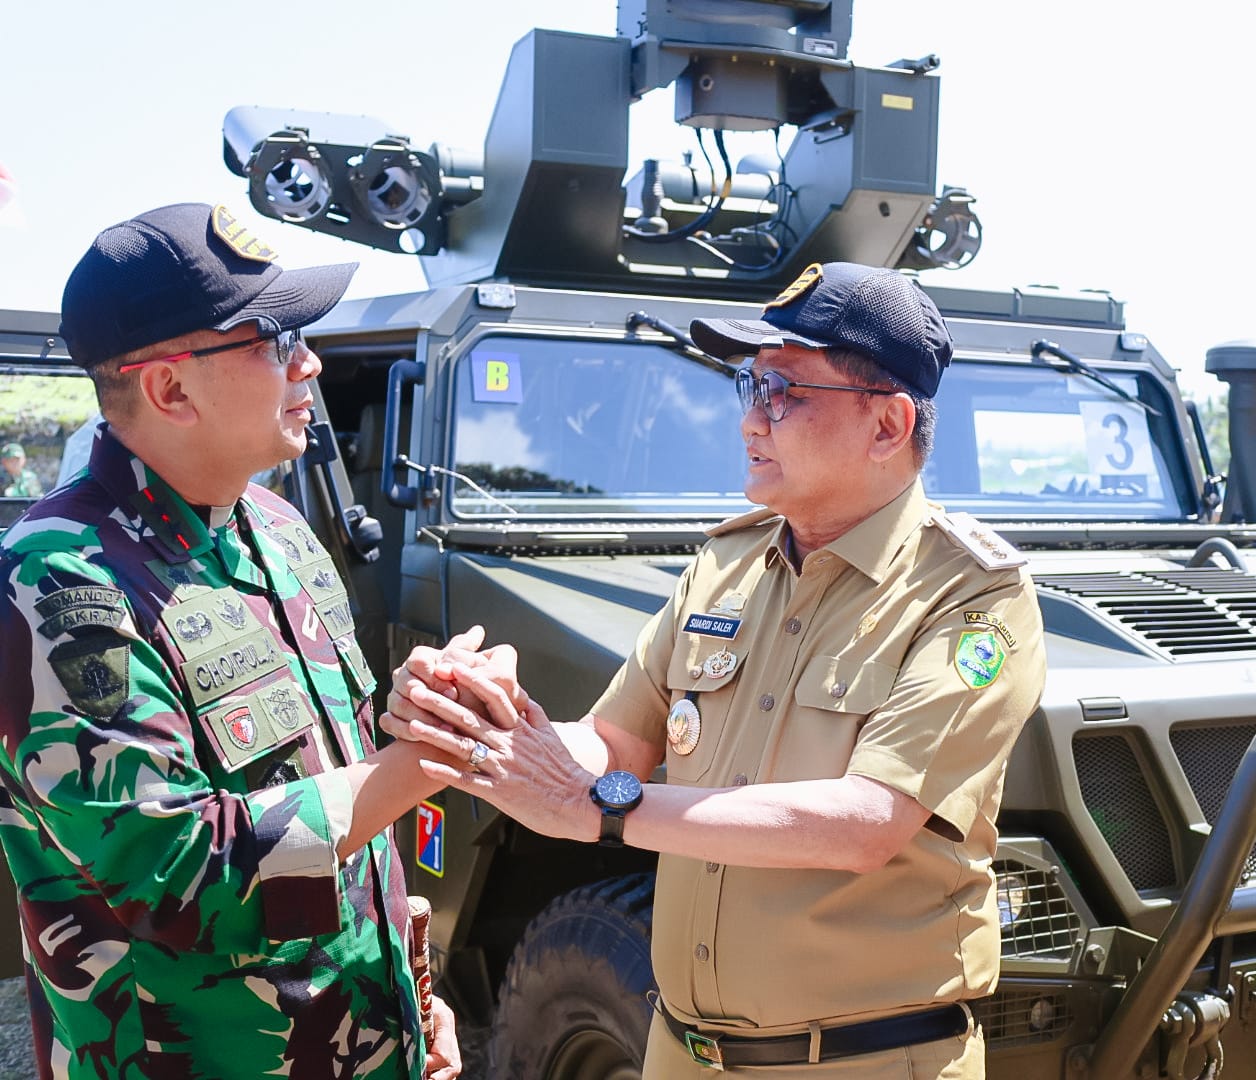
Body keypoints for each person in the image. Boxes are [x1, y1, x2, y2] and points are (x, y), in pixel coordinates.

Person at [385, 261, 1048, 1078]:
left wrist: (604, 810)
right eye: (751, 387)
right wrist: (483, 722)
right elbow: (610, 742)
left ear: (888, 426)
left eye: (785, 393)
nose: (750, 422)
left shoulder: (970, 597)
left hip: (860, 1061)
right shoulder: (726, 567)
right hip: (681, 1051)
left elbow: (867, 822)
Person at [0, 203, 461, 1080]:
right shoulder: (55, 580)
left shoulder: (277, 528)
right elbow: (175, 874)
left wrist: (412, 990)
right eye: (276, 338)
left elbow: (339, 783)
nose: (310, 363)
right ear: (171, 389)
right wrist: (425, 762)